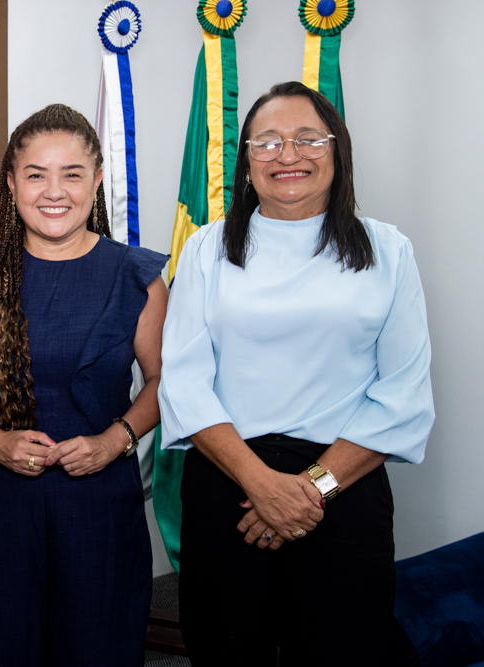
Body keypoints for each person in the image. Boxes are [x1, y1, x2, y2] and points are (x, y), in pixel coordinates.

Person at [158, 81, 434, 665]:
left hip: (342, 492)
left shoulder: (388, 250)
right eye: (268, 142)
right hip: (228, 489)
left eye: (308, 139)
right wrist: (261, 486)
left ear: (338, 151)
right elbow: (183, 383)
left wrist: (309, 490)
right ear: (246, 162)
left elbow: (402, 396)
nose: (289, 156)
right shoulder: (206, 249)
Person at [0, 104, 169, 666]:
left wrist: (114, 440)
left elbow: (164, 381)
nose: (55, 190)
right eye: (35, 174)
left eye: (72, 174)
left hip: (101, 505)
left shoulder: (136, 275)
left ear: (96, 183)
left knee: (97, 649)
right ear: (11, 182)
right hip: (2, 502)